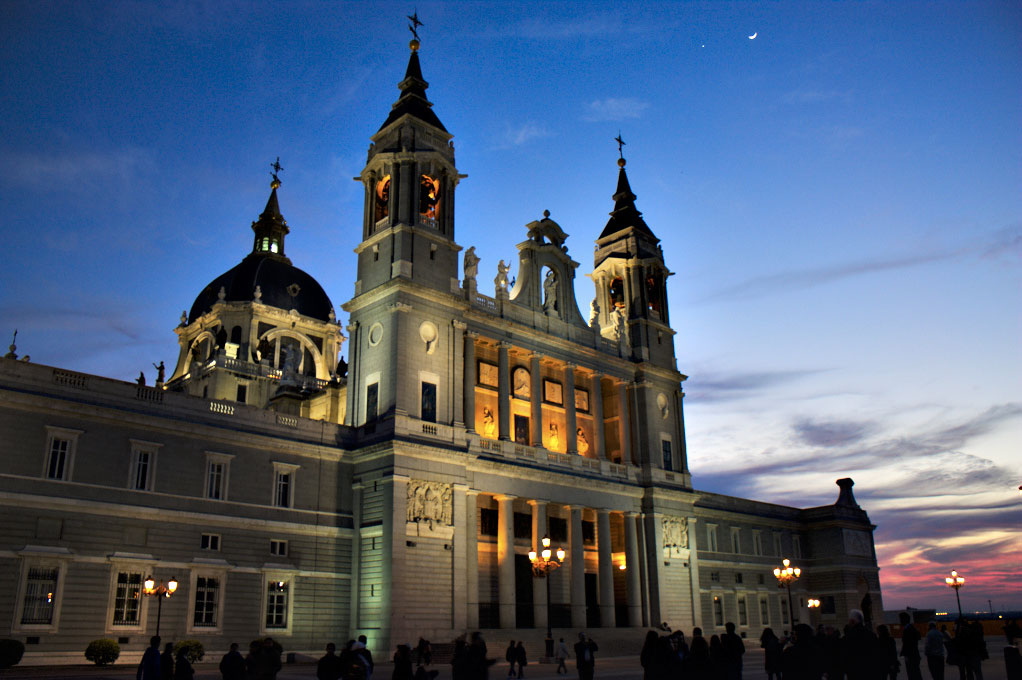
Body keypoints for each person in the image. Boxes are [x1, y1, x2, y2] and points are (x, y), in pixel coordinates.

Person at [841, 609, 879, 680]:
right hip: (870, 670)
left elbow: (844, 655)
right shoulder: (871, 635)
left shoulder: (848, 637)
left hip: (854, 671)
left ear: (852, 621)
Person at [900, 612, 923, 680]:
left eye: (901, 619)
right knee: (915, 673)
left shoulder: (908, 629)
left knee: (913, 674)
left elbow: (908, 644)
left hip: (911, 656)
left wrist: (906, 654)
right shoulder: (910, 628)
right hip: (913, 655)